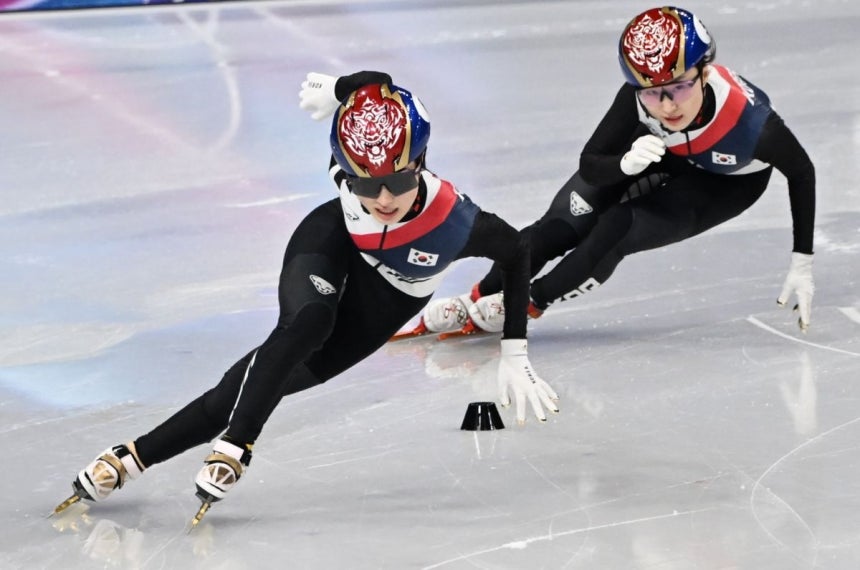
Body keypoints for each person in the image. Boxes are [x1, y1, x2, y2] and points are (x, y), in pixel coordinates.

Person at [52, 71, 559, 527]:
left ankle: (132, 457)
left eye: (398, 182)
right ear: (344, 168)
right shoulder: (357, 164)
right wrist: (341, 89)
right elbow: (372, 83)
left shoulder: (456, 223)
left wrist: (515, 350)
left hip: (388, 300)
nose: (383, 199)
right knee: (306, 324)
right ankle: (238, 444)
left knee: (244, 387)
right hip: (332, 239)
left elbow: (519, 251)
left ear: (421, 163)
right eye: (365, 182)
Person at [418, 6, 816, 338]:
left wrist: (802, 261)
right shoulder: (641, 98)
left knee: (619, 225)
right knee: (559, 225)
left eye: (678, 88)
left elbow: (802, 172)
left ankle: (528, 302)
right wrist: (625, 165)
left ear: (705, 74)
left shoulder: (753, 125)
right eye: (650, 91)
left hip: (724, 183)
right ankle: (480, 294)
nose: (666, 105)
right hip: (662, 151)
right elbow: (591, 163)